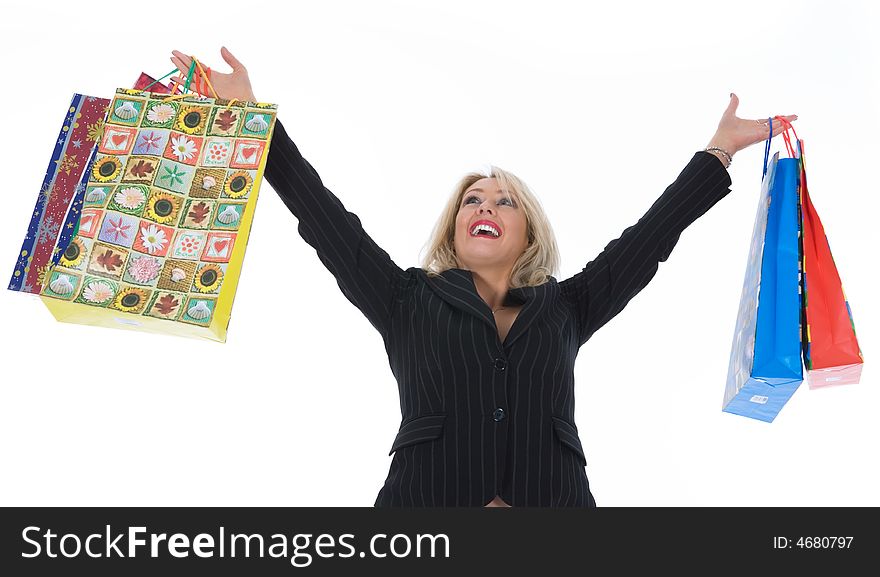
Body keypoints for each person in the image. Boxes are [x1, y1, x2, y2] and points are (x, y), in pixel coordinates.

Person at [169, 48, 797, 507]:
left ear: (530, 229)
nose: (486, 208)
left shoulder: (568, 307)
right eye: (472, 201)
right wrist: (254, 121)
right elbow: (322, 215)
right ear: (453, 228)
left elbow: (650, 239)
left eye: (503, 201)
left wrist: (717, 151)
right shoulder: (404, 299)